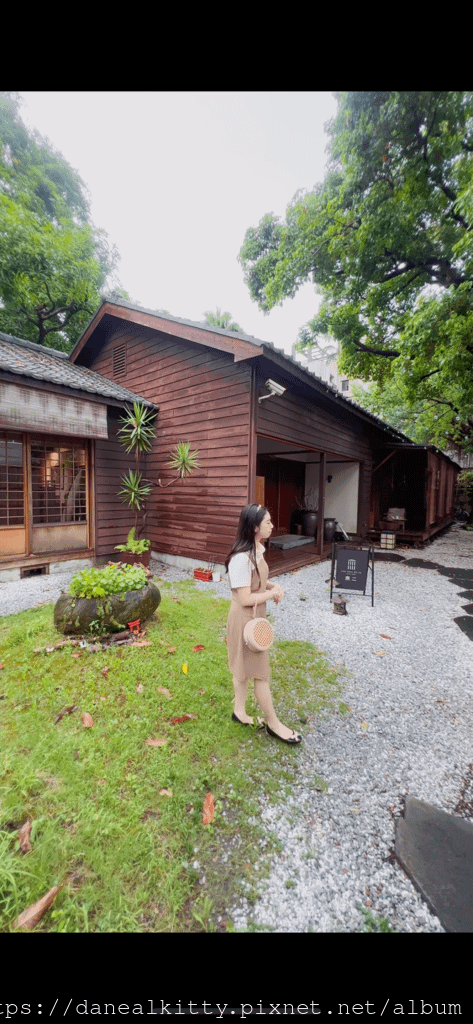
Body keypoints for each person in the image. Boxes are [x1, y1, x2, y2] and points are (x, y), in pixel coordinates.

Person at [225, 504, 302, 744]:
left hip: (255, 617)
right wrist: (271, 595)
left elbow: (256, 581)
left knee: (244, 668)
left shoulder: (256, 551)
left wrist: (272, 586)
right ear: (255, 527)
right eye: (267, 522)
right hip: (245, 619)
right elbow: (245, 597)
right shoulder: (240, 559)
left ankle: (239, 712)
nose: (271, 525)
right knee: (260, 674)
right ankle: (273, 724)